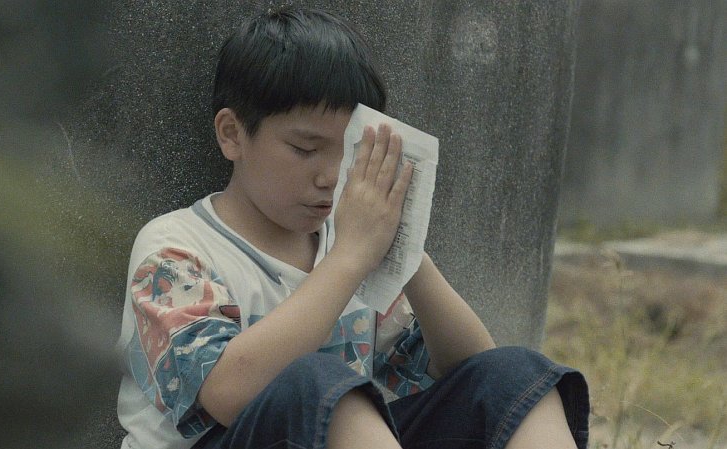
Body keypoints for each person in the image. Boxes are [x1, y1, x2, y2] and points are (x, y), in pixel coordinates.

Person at [115, 6, 589, 449]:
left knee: (516, 374)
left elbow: (473, 373)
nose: (330, 176)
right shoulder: (174, 249)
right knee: (320, 384)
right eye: (305, 150)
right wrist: (349, 258)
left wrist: (406, 251)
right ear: (232, 134)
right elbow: (228, 394)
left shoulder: (350, 249)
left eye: (350, 152)